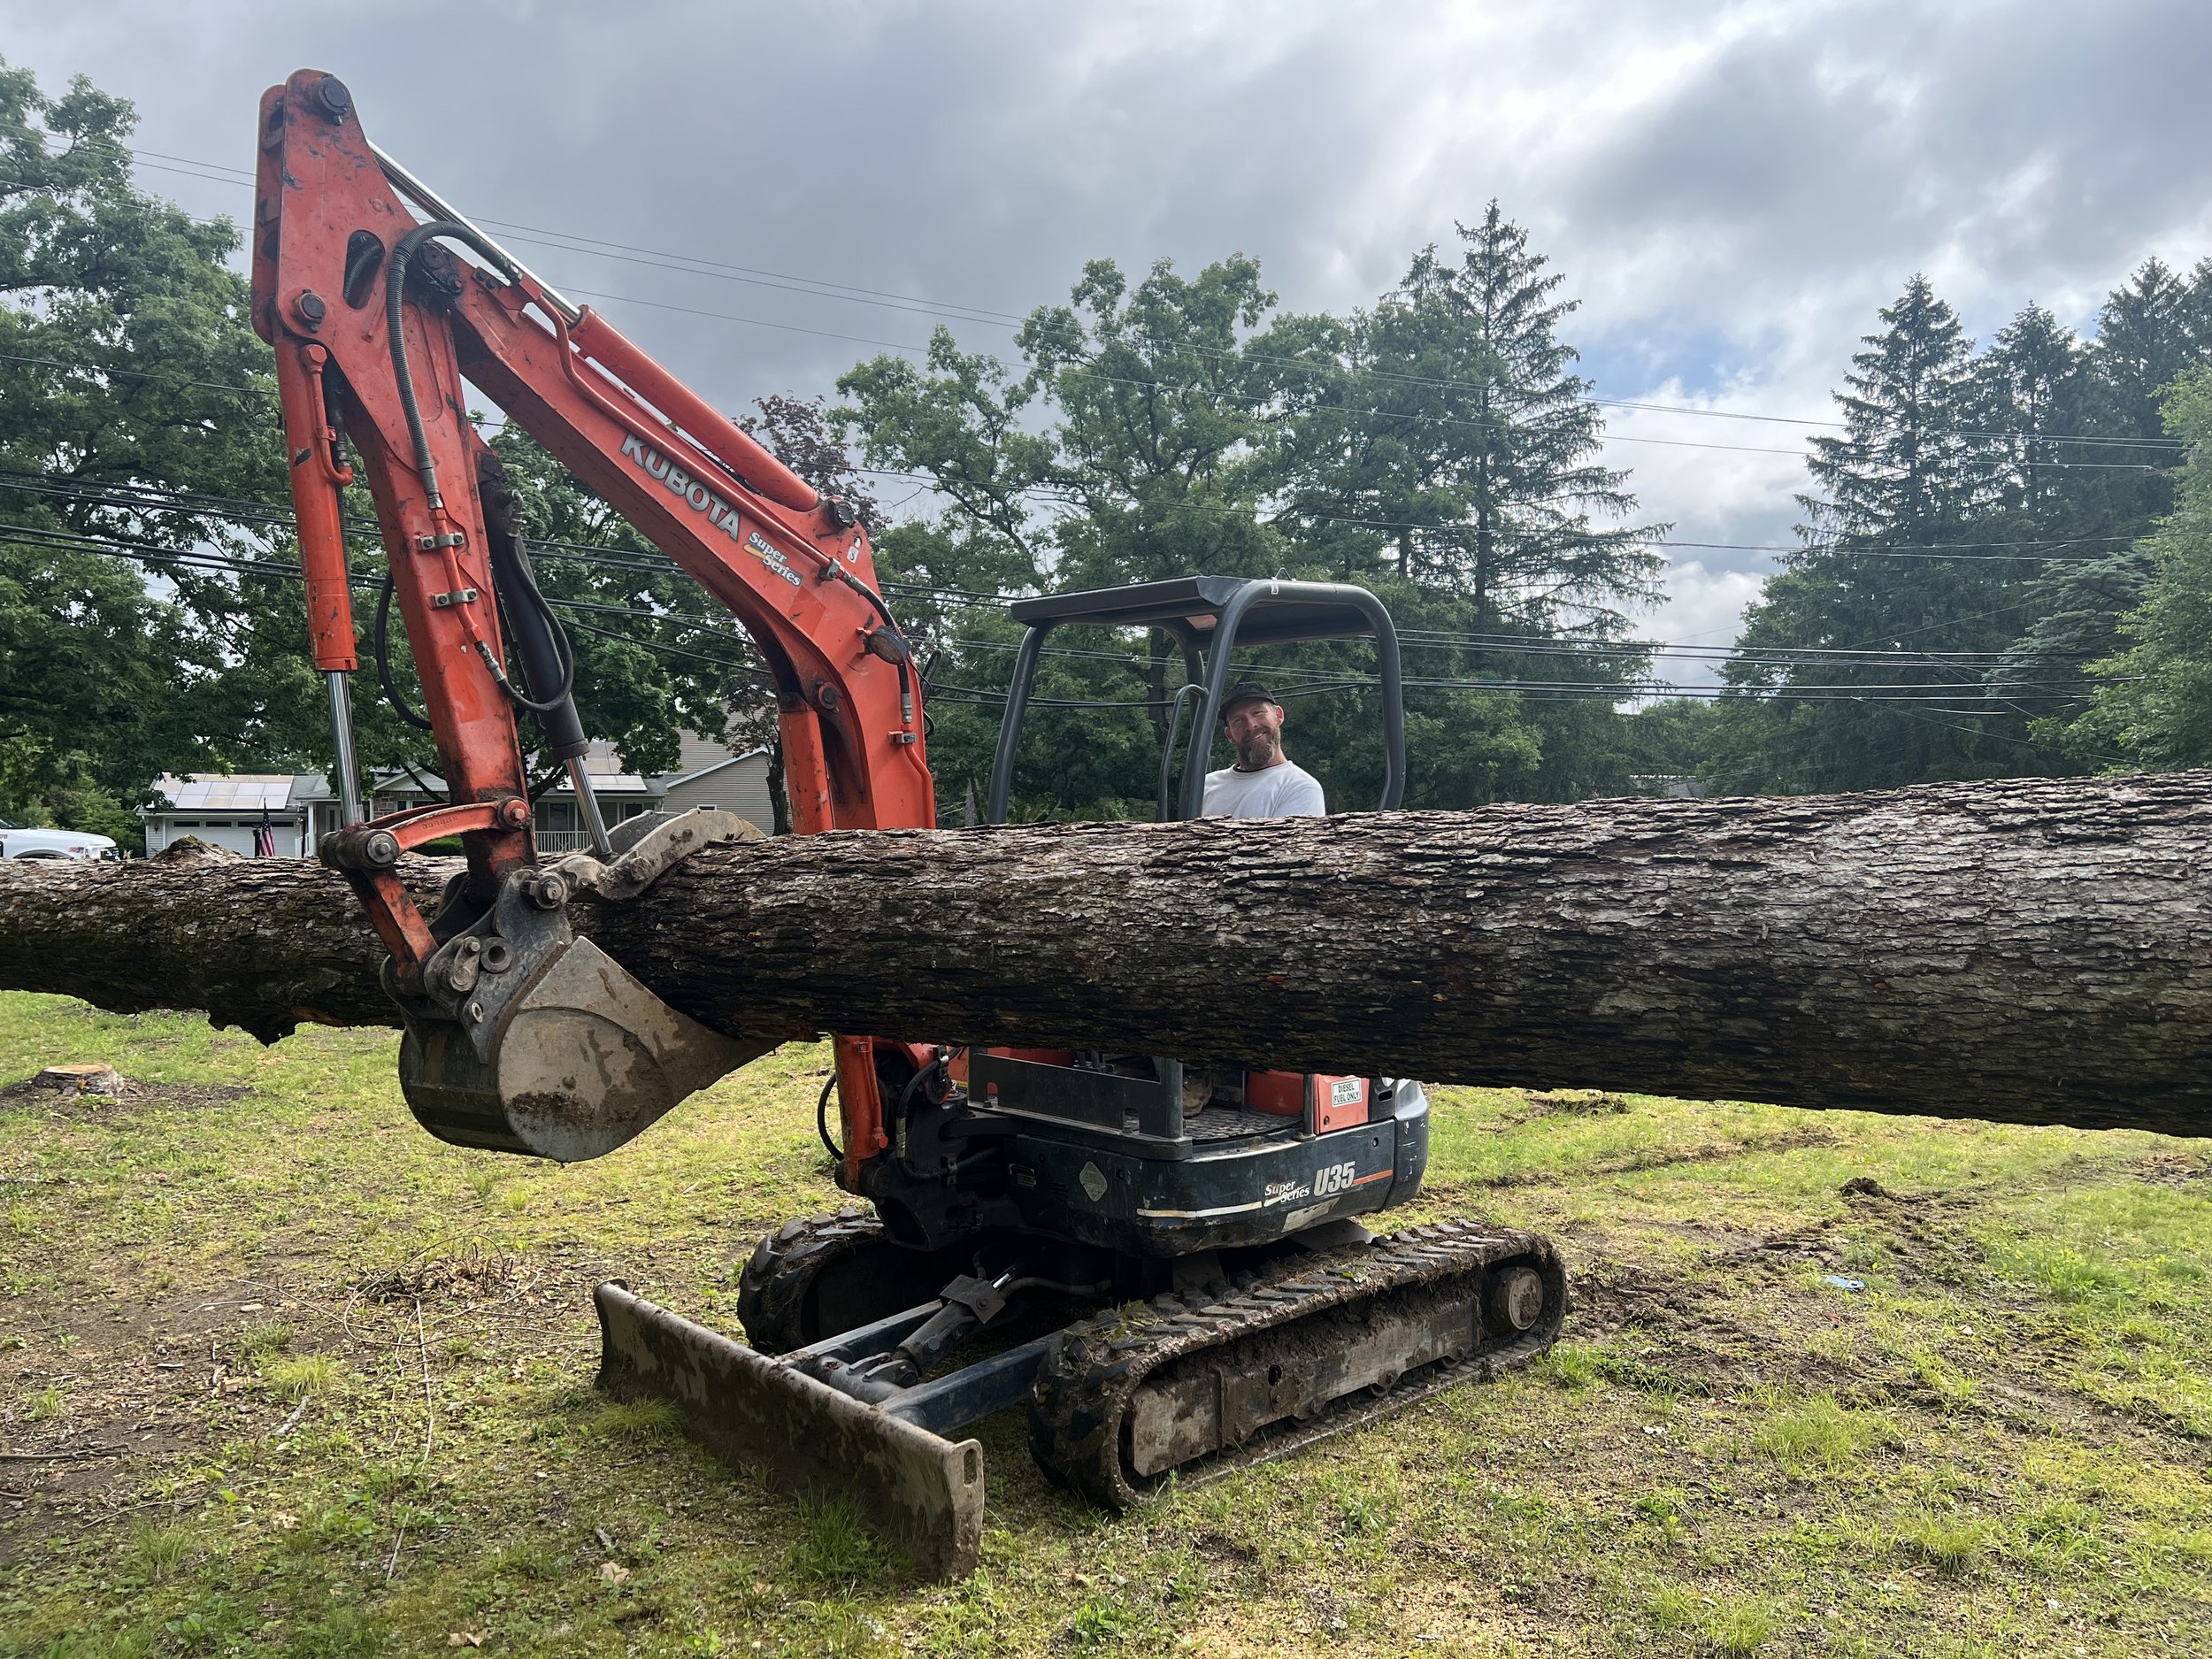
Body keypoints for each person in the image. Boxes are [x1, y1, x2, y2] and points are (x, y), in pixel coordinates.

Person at [1200, 680, 1326, 818]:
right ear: (1229, 734)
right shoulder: (1205, 786)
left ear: (1278, 715)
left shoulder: (1300, 787)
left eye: (1258, 713)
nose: (1251, 725)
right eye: (1238, 720)